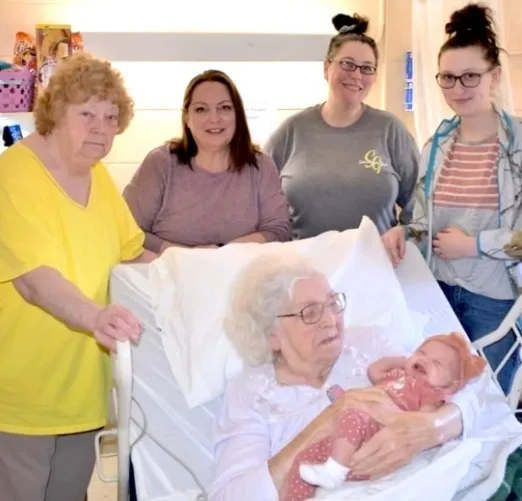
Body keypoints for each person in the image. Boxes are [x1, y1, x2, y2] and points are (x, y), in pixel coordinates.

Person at [208, 255, 498, 501]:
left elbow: (468, 386)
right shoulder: (250, 393)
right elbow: (231, 495)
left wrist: (433, 426)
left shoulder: (369, 343)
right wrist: (327, 421)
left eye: (333, 303)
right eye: (310, 312)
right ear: (272, 335)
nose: (330, 319)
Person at [0, 53, 156, 501]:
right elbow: (33, 280)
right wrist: (95, 317)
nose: (101, 128)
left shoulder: (98, 176)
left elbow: (134, 253)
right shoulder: (15, 174)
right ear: (55, 112)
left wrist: (192, 268)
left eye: (111, 117)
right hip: (21, 398)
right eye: (86, 113)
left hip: (81, 396)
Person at [381, 3, 522, 395]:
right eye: (448, 78)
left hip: (493, 298)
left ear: (494, 76)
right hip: (437, 290)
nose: (458, 89)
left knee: (489, 400)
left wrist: (472, 245)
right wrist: (403, 233)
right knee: (437, 397)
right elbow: (425, 223)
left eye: (470, 77)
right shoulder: (436, 145)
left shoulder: (518, 146)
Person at [263, 13, 419, 240]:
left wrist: (404, 235)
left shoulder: (391, 131)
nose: (356, 75)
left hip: (376, 267)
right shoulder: (290, 132)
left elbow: (421, 203)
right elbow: (257, 202)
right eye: (347, 64)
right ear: (327, 67)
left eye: (367, 68)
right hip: (306, 268)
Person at [294, 333, 486, 500]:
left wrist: (384, 412)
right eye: (421, 353)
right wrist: (404, 361)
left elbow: (418, 423)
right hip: (361, 417)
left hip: (378, 427)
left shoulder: (431, 392)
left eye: (436, 363)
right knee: (306, 459)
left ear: (451, 385)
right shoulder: (398, 375)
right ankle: (315, 480)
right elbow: (373, 371)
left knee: (352, 415)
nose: (425, 361)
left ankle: (335, 471)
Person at [123, 69, 292, 252]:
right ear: (187, 117)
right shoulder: (160, 163)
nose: (214, 118)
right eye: (201, 109)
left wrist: (225, 253)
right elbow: (127, 229)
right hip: (171, 276)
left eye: (224, 107)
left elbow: (279, 231)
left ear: (238, 114)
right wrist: (186, 256)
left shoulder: (260, 166)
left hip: (243, 277)